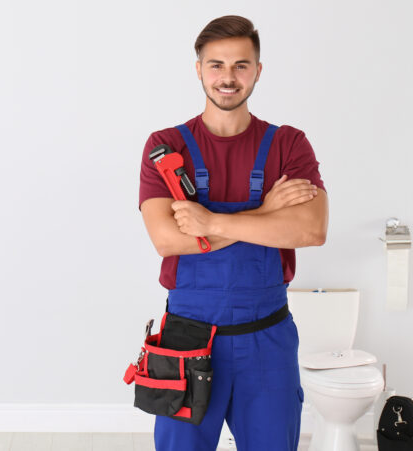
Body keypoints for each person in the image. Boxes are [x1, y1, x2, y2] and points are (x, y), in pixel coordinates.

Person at [137, 15, 329, 451]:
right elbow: (167, 240)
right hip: (186, 340)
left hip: (266, 341)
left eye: (241, 65)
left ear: (258, 70)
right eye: (216, 65)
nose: (228, 77)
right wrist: (266, 212)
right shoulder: (165, 146)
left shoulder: (289, 145)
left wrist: (210, 224)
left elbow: (311, 229)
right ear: (199, 68)